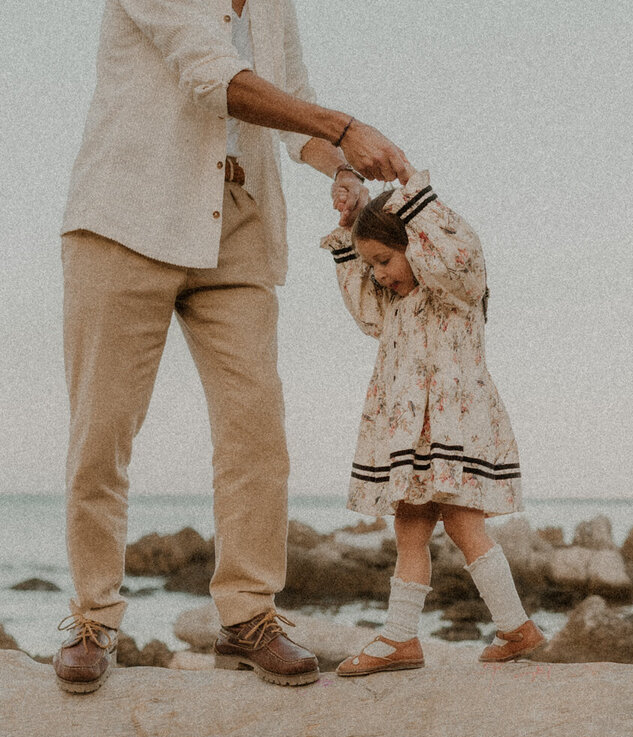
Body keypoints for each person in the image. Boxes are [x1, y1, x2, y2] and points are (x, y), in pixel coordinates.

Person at [55, 0, 411, 693]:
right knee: (102, 431)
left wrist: (335, 163)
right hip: (126, 221)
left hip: (239, 231)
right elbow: (215, 76)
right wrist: (341, 125)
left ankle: (247, 616)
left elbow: (293, 104)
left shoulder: (275, 6)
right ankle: (95, 617)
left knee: (256, 429)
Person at [320, 168, 544, 677]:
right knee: (412, 524)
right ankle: (408, 637)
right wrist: (354, 227)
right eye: (370, 264)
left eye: (384, 259)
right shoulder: (394, 307)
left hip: (449, 428)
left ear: (416, 244)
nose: (378, 273)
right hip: (412, 432)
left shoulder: (454, 290)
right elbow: (365, 312)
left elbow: (460, 256)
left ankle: (511, 627)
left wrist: (417, 203)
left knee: (463, 523)